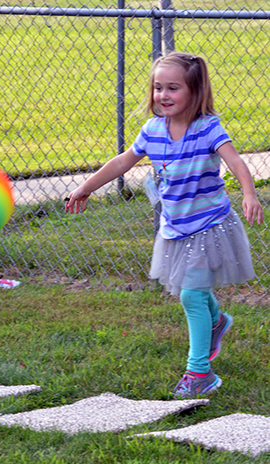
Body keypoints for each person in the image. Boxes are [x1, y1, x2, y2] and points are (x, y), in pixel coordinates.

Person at [65, 52, 264, 398]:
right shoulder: (152, 131)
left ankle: (199, 372)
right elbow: (123, 161)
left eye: (173, 87)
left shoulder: (208, 128)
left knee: (190, 294)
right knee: (196, 293)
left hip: (210, 226)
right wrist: (86, 187)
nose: (163, 95)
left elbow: (236, 162)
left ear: (195, 91)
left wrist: (249, 194)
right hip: (176, 228)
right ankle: (217, 321)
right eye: (158, 88)